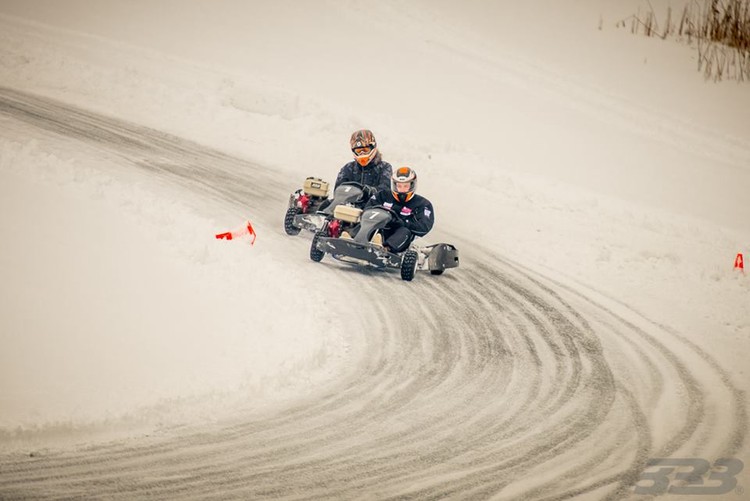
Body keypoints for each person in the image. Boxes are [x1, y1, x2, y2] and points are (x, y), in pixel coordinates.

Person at [362, 166, 434, 253]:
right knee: (365, 221)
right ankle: (351, 238)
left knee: (405, 231)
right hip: (380, 228)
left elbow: (424, 227)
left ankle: (385, 249)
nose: (402, 190)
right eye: (399, 186)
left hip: (400, 237)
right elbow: (367, 210)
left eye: (405, 186)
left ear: (412, 185)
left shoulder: (422, 204)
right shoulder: (382, 195)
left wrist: (402, 223)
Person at [335, 129, 392, 198]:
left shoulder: (384, 167)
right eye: (358, 151)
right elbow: (338, 190)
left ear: (373, 148)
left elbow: (385, 190)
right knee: (326, 204)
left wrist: (369, 191)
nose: (362, 153)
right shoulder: (348, 168)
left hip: (373, 205)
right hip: (350, 204)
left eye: (365, 150)